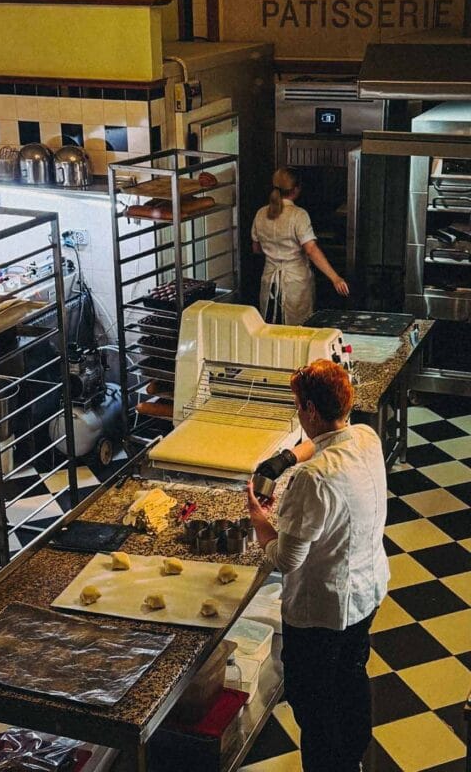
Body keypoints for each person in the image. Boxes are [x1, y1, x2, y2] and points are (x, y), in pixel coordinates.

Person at [246, 360, 389, 772]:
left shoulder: (313, 480)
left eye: (297, 405)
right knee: (350, 677)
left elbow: (288, 560)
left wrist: (261, 524)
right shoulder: (365, 436)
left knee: (314, 705)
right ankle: (353, 759)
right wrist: (285, 458)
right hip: (366, 593)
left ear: (309, 409)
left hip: (322, 613)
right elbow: (323, 442)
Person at [251, 166, 349, 326]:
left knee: (271, 330)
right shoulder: (298, 215)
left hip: (270, 282)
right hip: (295, 283)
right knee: (297, 332)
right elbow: (310, 249)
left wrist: (275, 254)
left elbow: (256, 249)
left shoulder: (261, 213)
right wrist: (335, 278)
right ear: (296, 189)